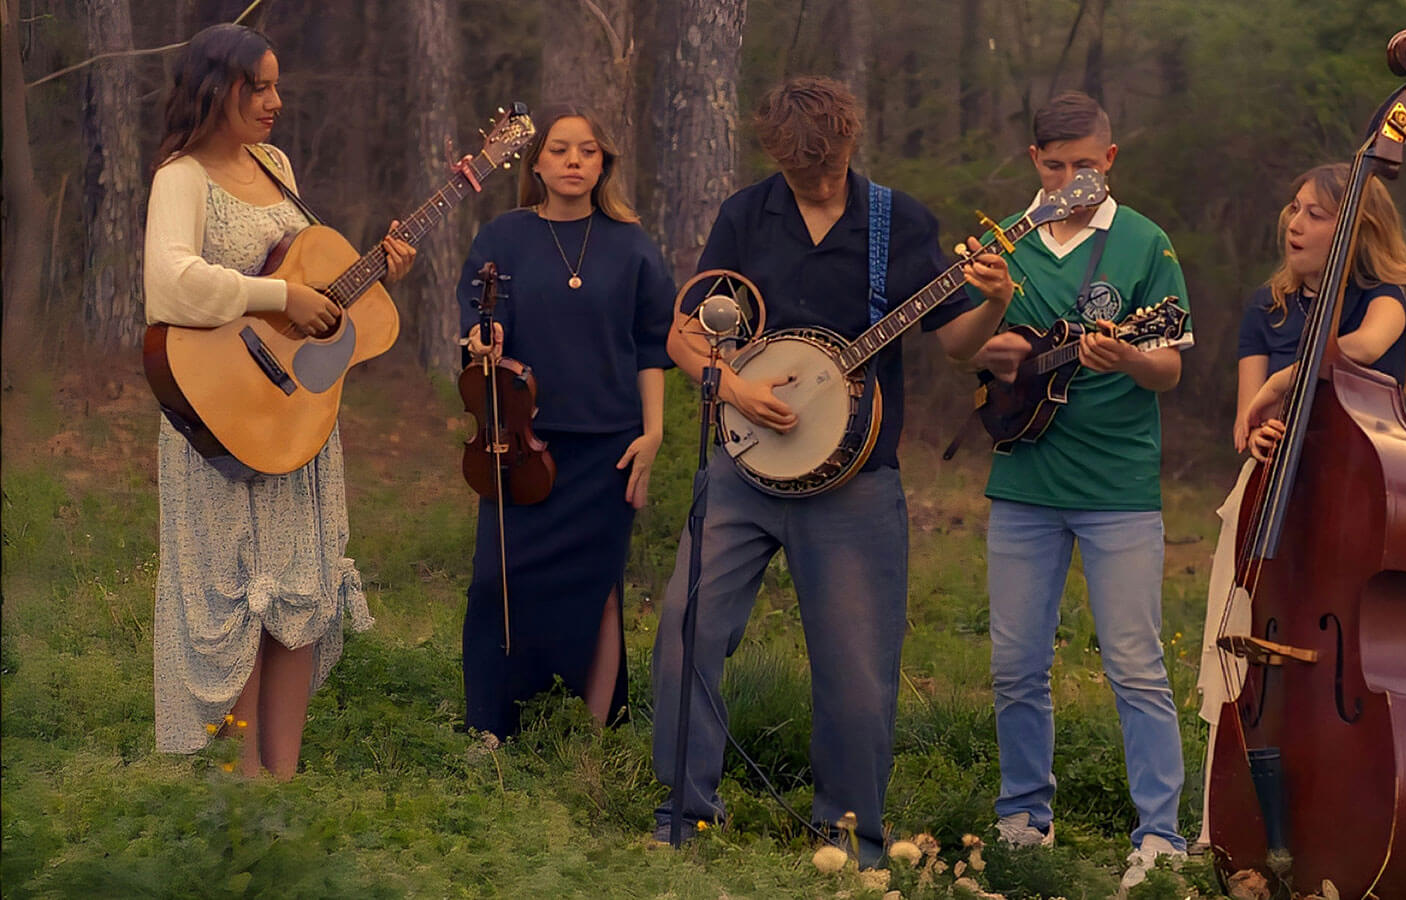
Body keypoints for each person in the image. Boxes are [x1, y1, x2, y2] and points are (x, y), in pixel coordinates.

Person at [649, 75, 1016, 865]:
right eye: (800, 169)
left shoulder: (899, 221)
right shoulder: (747, 214)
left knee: (856, 676)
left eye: (828, 165)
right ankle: (684, 817)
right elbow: (686, 333)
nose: (818, 181)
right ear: (777, 154)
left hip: (856, 484)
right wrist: (734, 387)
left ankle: (849, 842)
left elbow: (958, 344)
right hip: (744, 472)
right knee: (687, 633)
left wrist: (995, 299)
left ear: (850, 142)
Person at [144, 23, 417, 778]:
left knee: (297, 600)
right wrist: (282, 294)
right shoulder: (182, 177)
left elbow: (308, 296)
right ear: (214, 89)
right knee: (236, 605)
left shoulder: (276, 165)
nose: (276, 101)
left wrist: (363, 280)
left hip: (293, 419)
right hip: (218, 419)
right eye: (258, 87)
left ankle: (282, 784)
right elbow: (172, 285)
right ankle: (241, 794)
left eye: (276, 85)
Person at [962, 91, 1194, 889]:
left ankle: (1160, 835)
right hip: (1023, 481)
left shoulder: (1145, 243)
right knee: (1016, 663)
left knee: (1134, 662)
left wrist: (1129, 359)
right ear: (1035, 162)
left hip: (1118, 487)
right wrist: (996, 343)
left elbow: (1168, 363)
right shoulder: (1009, 242)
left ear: (1110, 159)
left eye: (1085, 166)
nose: (1070, 180)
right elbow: (967, 347)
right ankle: (1024, 816)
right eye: (1055, 166)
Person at [1195, 161, 1406, 846]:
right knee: (1239, 658)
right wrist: (1257, 422)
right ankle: (1223, 831)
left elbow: (1361, 347)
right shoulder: (1263, 308)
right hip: (1268, 500)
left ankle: (1351, 819)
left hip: (1353, 503)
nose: (1295, 224)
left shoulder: (1385, 294)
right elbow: (1245, 423)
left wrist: (1290, 378)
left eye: (1317, 214)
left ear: (1357, 227)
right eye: (1294, 209)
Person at [456, 104, 675, 739]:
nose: (573, 161)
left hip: (608, 446)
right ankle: (489, 731)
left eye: (586, 150)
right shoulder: (503, 237)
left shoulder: (632, 245)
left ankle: (595, 737)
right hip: (522, 443)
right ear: (536, 163)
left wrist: (652, 435)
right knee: (496, 582)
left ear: (604, 162)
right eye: (559, 150)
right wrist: (484, 338)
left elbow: (652, 347)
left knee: (599, 588)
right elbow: (479, 318)